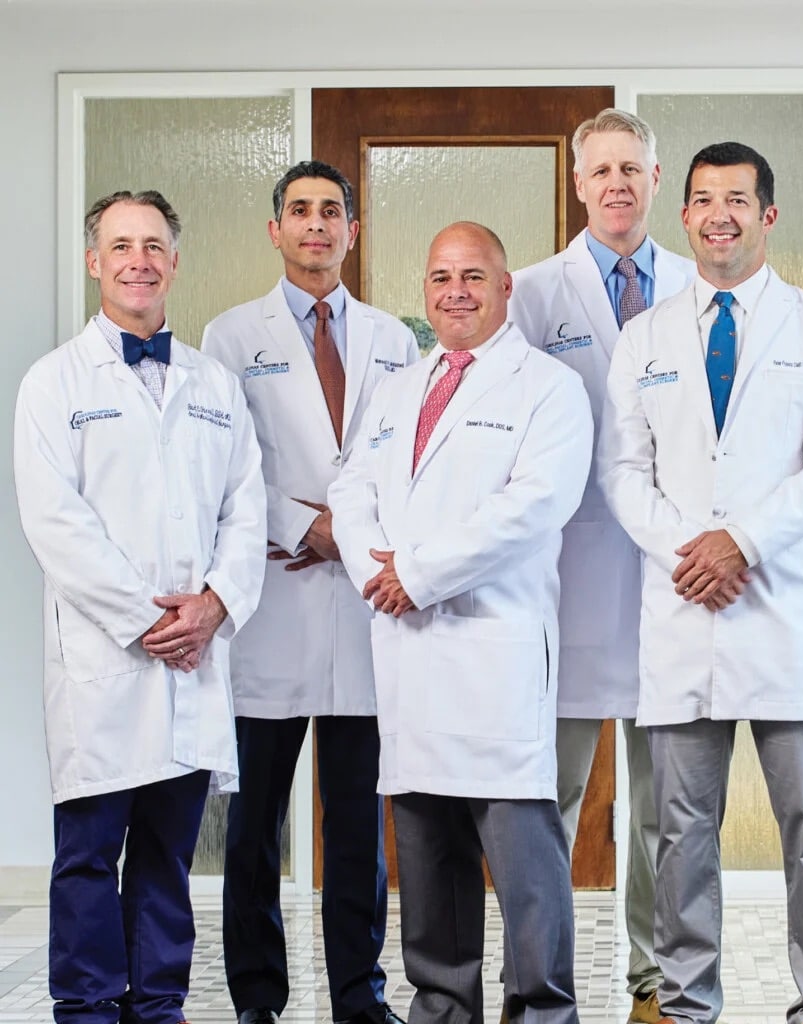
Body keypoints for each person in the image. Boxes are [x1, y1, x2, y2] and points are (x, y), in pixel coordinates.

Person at [599, 141, 803, 1024]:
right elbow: (621, 474)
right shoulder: (643, 337)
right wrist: (695, 551)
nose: (720, 213)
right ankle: (682, 1003)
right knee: (680, 838)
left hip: (783, 613)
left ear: (767, 216)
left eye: (738, 199)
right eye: (704, 199)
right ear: (683, 216)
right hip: (685, 613)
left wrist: (740, 543)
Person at [329, 221, 593, 1024]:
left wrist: (416, 573)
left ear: (505, 287)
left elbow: (534, 506)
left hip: (493, 654)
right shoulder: (399, 388)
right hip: (407, 654)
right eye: (441, 276)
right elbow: (350, 489)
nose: (456, 291)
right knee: (428, 850)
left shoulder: (546, 387)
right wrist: (374, 569)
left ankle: (542, 1011)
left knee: (522, 863)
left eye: (473, 276)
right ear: (425, 291)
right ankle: (442, 1008)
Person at [13, 190, 267, 1024]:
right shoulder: (53, 383)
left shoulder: (213, 382)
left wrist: (214, 605)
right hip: (105, 664)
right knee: (89, 854)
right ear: (95, 261)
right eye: (121, 244)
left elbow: (246, 507)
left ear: (173, 260)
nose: (138, 260)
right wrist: (148, 620)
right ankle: (86, 1009)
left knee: (166, 853)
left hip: (192, 657)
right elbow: (56, 522)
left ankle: (158, 1005)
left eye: (153, 244)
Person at [202, 160, 418, 1024]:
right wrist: (309, 527)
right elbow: (224, 468)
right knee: (253, 826)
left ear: (353, 231)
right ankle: (257, 996)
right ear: (276, 230)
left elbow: (402, 460)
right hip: (273, 606)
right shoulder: (228, 337)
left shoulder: (395, 338)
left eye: (332, 212)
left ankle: (358, 996)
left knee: (357, 825)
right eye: (300, 211)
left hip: (362, 606)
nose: (316, 225)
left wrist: (351, 533)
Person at [508, 108, 694, 1024]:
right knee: (545, 797)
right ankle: (534, 983)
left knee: (666, 808)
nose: (617, 184)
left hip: (670, 577)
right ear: (577, 185)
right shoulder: (534, 294)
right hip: (566, 581)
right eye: (601, 171)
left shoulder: (700, 287)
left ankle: (653, 985)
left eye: (632, 168)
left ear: (655, 180)